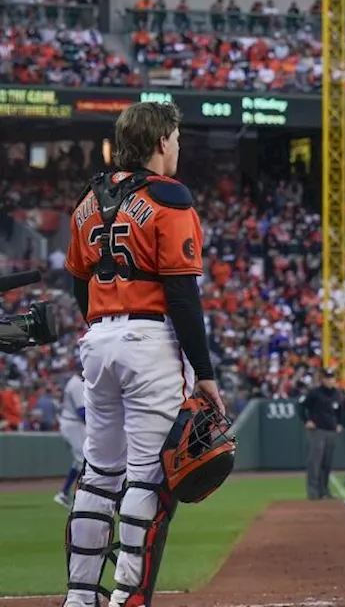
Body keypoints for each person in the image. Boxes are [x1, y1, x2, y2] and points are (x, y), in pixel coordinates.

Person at [62, 100, 225, 607]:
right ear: (160, 141)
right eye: (175, 138)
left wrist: (102, 325)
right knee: (148, 477)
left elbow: (77, 282)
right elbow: (181, 294)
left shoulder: (87, 199)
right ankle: (127, 596)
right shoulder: (170, 197)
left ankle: (80, 596)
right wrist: (206, 372)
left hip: (99, 339)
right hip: (147, 341)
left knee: (98, 473)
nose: (177, 146)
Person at [300, 370, 343, 500]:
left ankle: (324, 490)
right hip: (318, 431)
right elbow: (301, 407)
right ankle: (313, 492)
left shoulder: (337, 394)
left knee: (327, 463)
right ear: (322, 379)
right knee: (314, 462)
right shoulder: (315, 393)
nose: (330, 380)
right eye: (327, 378)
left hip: (331, 431)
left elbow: (340, 411)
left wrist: (340, 423)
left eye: (332, 378)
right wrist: (307, 420)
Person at [54, 372, 87, 510]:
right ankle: (79, 496)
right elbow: (82, 412)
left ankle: (64, 492)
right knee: (85, 459)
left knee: (81, 459)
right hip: (73, 424)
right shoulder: (77, 384)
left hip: (75, 424)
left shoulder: (79, 382)